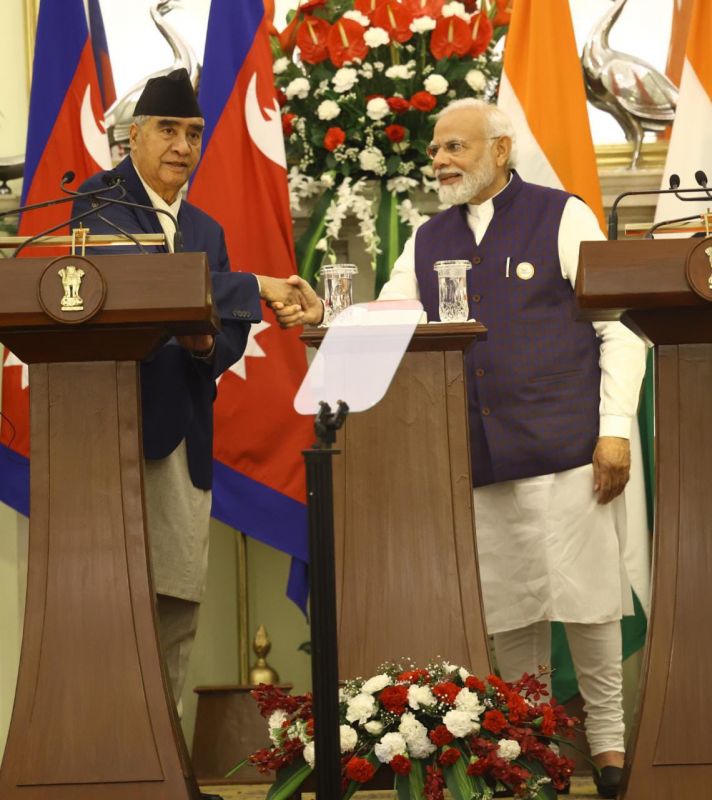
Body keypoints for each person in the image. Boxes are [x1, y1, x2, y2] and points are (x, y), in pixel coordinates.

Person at [278, 99, 647, 799]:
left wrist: (615, 429)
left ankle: (608, 752)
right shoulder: (427, 237)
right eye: (436, 149)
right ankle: (534, 751)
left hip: (573, 452)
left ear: (500, 151)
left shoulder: (563, 215)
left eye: (454, 147)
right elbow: (390, 322)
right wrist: (327, 317)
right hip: (480, 461)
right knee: (512, 620)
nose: (439, 160)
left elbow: (618, 329)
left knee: (592, 608)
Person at [72, 69, 303, 720]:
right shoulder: (98, 202)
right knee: (110, 605)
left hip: (184, 436)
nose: (181, 145)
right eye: (168, 130)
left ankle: (165, 760)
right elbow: (136, 283)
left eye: (194, 134)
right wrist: (257, 284)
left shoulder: (205, 227)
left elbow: (225, 336)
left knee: (176, 602)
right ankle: (105, 756)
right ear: (134, 137)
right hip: (112, 432)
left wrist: (208, 346)